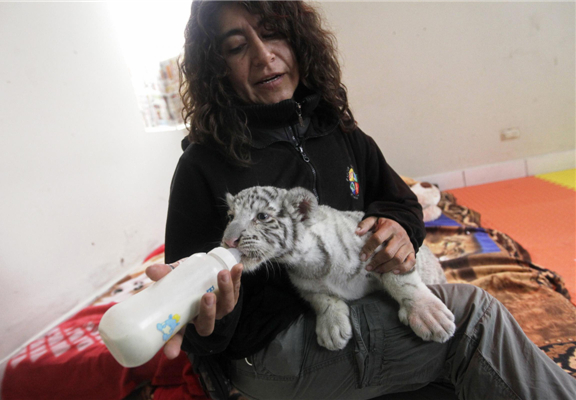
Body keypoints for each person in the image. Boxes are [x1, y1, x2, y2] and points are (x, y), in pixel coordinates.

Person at [146, 1, 576, 399]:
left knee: (456, 366)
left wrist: (399, 230)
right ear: (218, 68)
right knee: (474, 318)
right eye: (237, 46)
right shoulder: (203, 166)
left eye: (273, 33)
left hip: (361, 304)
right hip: (276, 347)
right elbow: (195, 319)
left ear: (298, 40)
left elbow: (401, 202)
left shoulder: (337, 131)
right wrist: (211, 320)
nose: (263, 56)